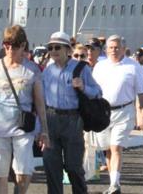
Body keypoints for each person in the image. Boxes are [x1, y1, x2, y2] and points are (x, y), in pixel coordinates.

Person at [0, 26, 49, 194]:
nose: (9, 49)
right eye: (6, 44)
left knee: (23, 173)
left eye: (14, 45)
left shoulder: (32, 70)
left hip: (23, 128)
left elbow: (39, 103)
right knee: (0, 175)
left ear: (23, 45)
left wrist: (44, 130)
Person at [41, 31, 102, 194]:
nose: (53, 50)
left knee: (73, 166)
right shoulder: (47, 72)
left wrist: (83, 87)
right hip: (50, 118)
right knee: (51, 166)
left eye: (57, 47)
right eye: (50, 47)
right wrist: (40, 128)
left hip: (73, 120)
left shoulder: (81, 68)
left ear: (68, 49)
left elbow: (97, 92)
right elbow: (40, 100)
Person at [92, 35, 143, 194]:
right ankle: (113, 183)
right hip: (103, 113)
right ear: (106, 49)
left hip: (124, 112)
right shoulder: (99, 66)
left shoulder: (133, 67)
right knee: (108, 149)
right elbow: (92, 91)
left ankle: (115, 184)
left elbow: (142, 93)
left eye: (117, 47)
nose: (113, 50)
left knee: (116, 147)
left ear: (124, 49)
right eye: (110, 47)